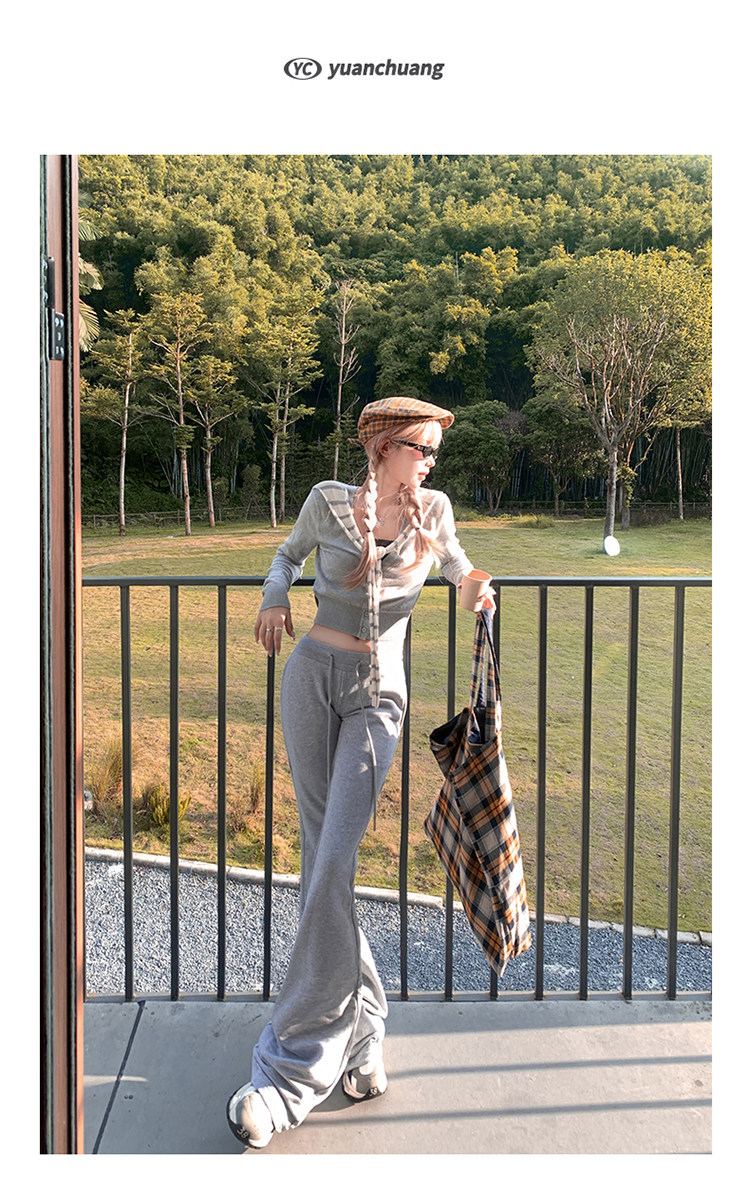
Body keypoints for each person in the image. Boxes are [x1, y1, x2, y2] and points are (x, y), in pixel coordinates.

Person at [226, 396, 495, 1150]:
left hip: (379, 697)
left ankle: (288, 1072)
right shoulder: (327, 501)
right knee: (326, 864)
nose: (431, 461)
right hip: (310, 679)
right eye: (422, 447)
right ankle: (366, 1032)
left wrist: (476, 587)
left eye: (434, 450)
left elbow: (457, 566)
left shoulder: (432, 510)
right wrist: (274, 596)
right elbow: (286, 557)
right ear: (384, 446)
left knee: (333, 859)